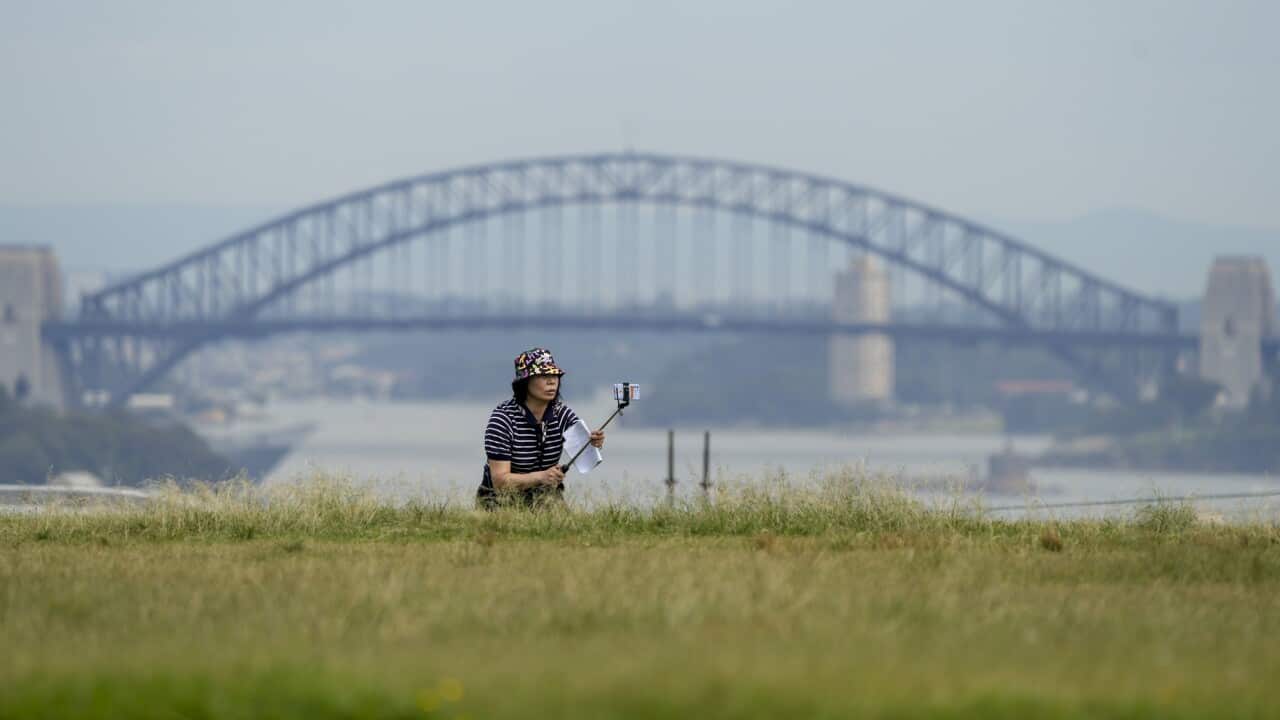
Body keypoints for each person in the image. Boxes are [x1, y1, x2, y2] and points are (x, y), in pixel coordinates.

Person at [478, 347, 604, 508]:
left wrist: (595, 441)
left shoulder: (562, 413)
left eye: (555, 376)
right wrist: (540, 477)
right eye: (544, 376)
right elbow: (500, 482)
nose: (552, 381)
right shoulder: (502, 420)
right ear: (525, 383)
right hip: (499, 501)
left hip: (547, 497)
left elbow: (586, 453)